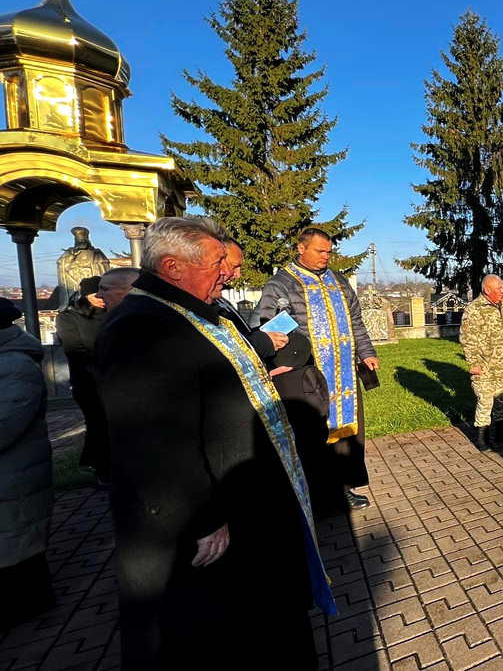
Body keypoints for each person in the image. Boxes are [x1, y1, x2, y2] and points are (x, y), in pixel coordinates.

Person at [94, 217, 332, 670]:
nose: (229, 271)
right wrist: (202, 516)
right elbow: (150, 438)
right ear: (173, 266)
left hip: (245, 497)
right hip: (204, 517)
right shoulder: (141, 327)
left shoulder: (199, 312)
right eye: (218, 261)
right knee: (213, 634)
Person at [257, 227, 379, 511]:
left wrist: (366, 352)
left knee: (346, 434)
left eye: (329, 252)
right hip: (307, 375)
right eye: (319, 251)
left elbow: (356, 321)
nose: (326, 256)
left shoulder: (339, 281)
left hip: (344, 372)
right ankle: (316, 497)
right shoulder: (281, 284)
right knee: (312, 435)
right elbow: (267, 327)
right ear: (301, 248)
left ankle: (344, 488)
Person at [0, 298, 55, 631]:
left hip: (15, 477)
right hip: (11, 478)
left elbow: (5, 425)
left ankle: (29, 608)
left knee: (18, 547)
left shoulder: (14, 365)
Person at [56, 276, 111, 487]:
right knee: (98, 423)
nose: (101, 298)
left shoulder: (114, 313)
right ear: (85, 295)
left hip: (115, 379)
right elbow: (74, 350)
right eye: (96, 294)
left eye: (104, 292)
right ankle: (101, 468)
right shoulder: (69, 317)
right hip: (87, 381)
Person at [461, 275, 503, 451]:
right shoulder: (474, 310)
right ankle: (482, 437)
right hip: (485, 364)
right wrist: (474, 362)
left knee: (502, 399)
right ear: (487, 290)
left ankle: (501, 432)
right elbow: (467, 339)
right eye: (499, 288)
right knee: (485, 400)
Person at [215, 240, 288, 362]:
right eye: (234, 266)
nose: (238, 274)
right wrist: (264, 341)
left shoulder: (220, 300)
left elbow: (243, 334)